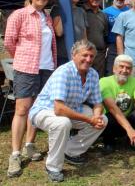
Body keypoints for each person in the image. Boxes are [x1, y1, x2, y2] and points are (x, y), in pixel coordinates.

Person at [28, 40, 107, 182]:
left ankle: (70, 151)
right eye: (85, 55)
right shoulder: (63, 72)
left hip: (71, 108)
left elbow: (97, 102)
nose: (88, 59)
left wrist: (96, 117)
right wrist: (90, 120)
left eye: (91, 56)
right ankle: (53, 167)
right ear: (74, 55)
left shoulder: (93, 74)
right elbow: (58, 109)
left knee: (103, 119)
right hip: (45, 110)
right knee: (62, 123)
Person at [5, 0, 57, 178]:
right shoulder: (19, 15)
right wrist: (22, 58)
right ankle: (15, 154)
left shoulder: (47, 17)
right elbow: (10, 41)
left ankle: (30, 144)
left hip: (46, 68)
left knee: (37, 109)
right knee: (21, 109)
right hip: (27, 68)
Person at [99, 55, 135, 153]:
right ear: (114, 68)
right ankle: (109, 142)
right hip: (111, 123)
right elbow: (112, 108)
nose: (125, 70)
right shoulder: (104, 81)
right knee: (108, 117)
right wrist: (129, 129)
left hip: (127, 119)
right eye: (121, 66)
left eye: (128, 68)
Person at [51, 0, 88, 66]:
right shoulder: (57, 8)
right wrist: (64, 7)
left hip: (79, 55)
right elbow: (59, 32)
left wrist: (85, 52)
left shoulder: (81, 11)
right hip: (63, 56)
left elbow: (84, 36)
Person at [103, 0, 129, 75]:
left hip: (128, 47)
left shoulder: (130, 12)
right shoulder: (105, 13)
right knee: (111, 73)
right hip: (112, 48)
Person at [84, 0, 108, 77]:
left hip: (99, 56)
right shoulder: (82, 11)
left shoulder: (103, 15)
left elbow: (105, 35)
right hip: (85, 54)